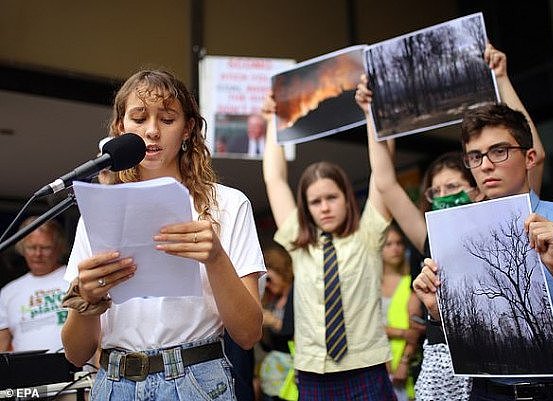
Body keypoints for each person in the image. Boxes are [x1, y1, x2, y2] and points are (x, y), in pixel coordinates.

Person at [356, 44, 547, 401]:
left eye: (454, 187)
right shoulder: (430, 235)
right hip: (443, 364)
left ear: (476, 190)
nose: (444, 195)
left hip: (499, 366)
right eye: (436, 190)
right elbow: (384, 181)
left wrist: (502, 79)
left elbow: (532, 155)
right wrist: (373, 113)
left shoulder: (506, 215)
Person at [60, 69, 265, 401]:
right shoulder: (100, 211)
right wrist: (88, 297)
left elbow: (248, 333)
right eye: (139, 119)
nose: (152, 131)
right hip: (114, 382)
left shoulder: (228, 204)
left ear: (188, 129)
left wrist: (215, 258)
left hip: (196, 379)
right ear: (120, 129)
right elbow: (75, 353)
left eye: (167, 119)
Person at [413, 102, 553, 400]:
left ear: (529, 157)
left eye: (499, 151)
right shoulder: (455, 236)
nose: (486, 165)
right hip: (487, 392)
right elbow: (473, 340)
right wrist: (439, 312)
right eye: (475, 156)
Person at [262, 94, 397, 400]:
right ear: (306, 208)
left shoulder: (369, 234)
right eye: (315, 201)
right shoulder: (300, 243)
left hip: (367, 368)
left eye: (331, 197)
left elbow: (383, 174)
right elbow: (274, 179)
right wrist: (274, 121)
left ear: (346, 197)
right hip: (313, 374)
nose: (324, 207)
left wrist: (372, 113)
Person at [0, 217, 68, 352]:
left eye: (45, 247)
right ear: (22, 248)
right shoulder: (8, 291)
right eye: (31, 247)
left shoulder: (74, 277)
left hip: (74, 370)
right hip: (24, 371)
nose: (38, 254)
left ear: (59, 248)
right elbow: (2, 345)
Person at [380, 223, 422, 401]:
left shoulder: (411, 282)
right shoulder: (371, 283)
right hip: (376, 363)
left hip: (405, 362)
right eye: (388, 244)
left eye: (399, 243)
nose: (395, 249)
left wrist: (404, 363)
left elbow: (415, 330)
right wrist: (400, 332)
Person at [258, 243, 295, 401]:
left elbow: (292, 331)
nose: (267, 285)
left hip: (292, 377)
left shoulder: (297, 292)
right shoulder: (273, 300)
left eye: (268, 279)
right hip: (274, 380)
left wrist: (272, 321)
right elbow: (267, 346)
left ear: (280, 271)